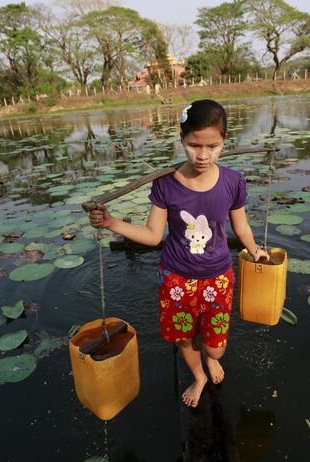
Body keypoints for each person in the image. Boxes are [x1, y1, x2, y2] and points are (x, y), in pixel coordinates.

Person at [88, 99, 269, 408]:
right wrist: (111, 222)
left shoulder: (232, 182)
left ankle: (210, 359)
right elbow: (152, 235)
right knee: (184, 337)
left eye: (212, 146)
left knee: (217, 349)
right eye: (194, 145)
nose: (202, 155)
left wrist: (255, 250)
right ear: (181, 138)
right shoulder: (166, 184)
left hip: (218, 279)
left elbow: (241, 227)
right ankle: (198, 376)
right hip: (176, 279)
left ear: (225, 140)